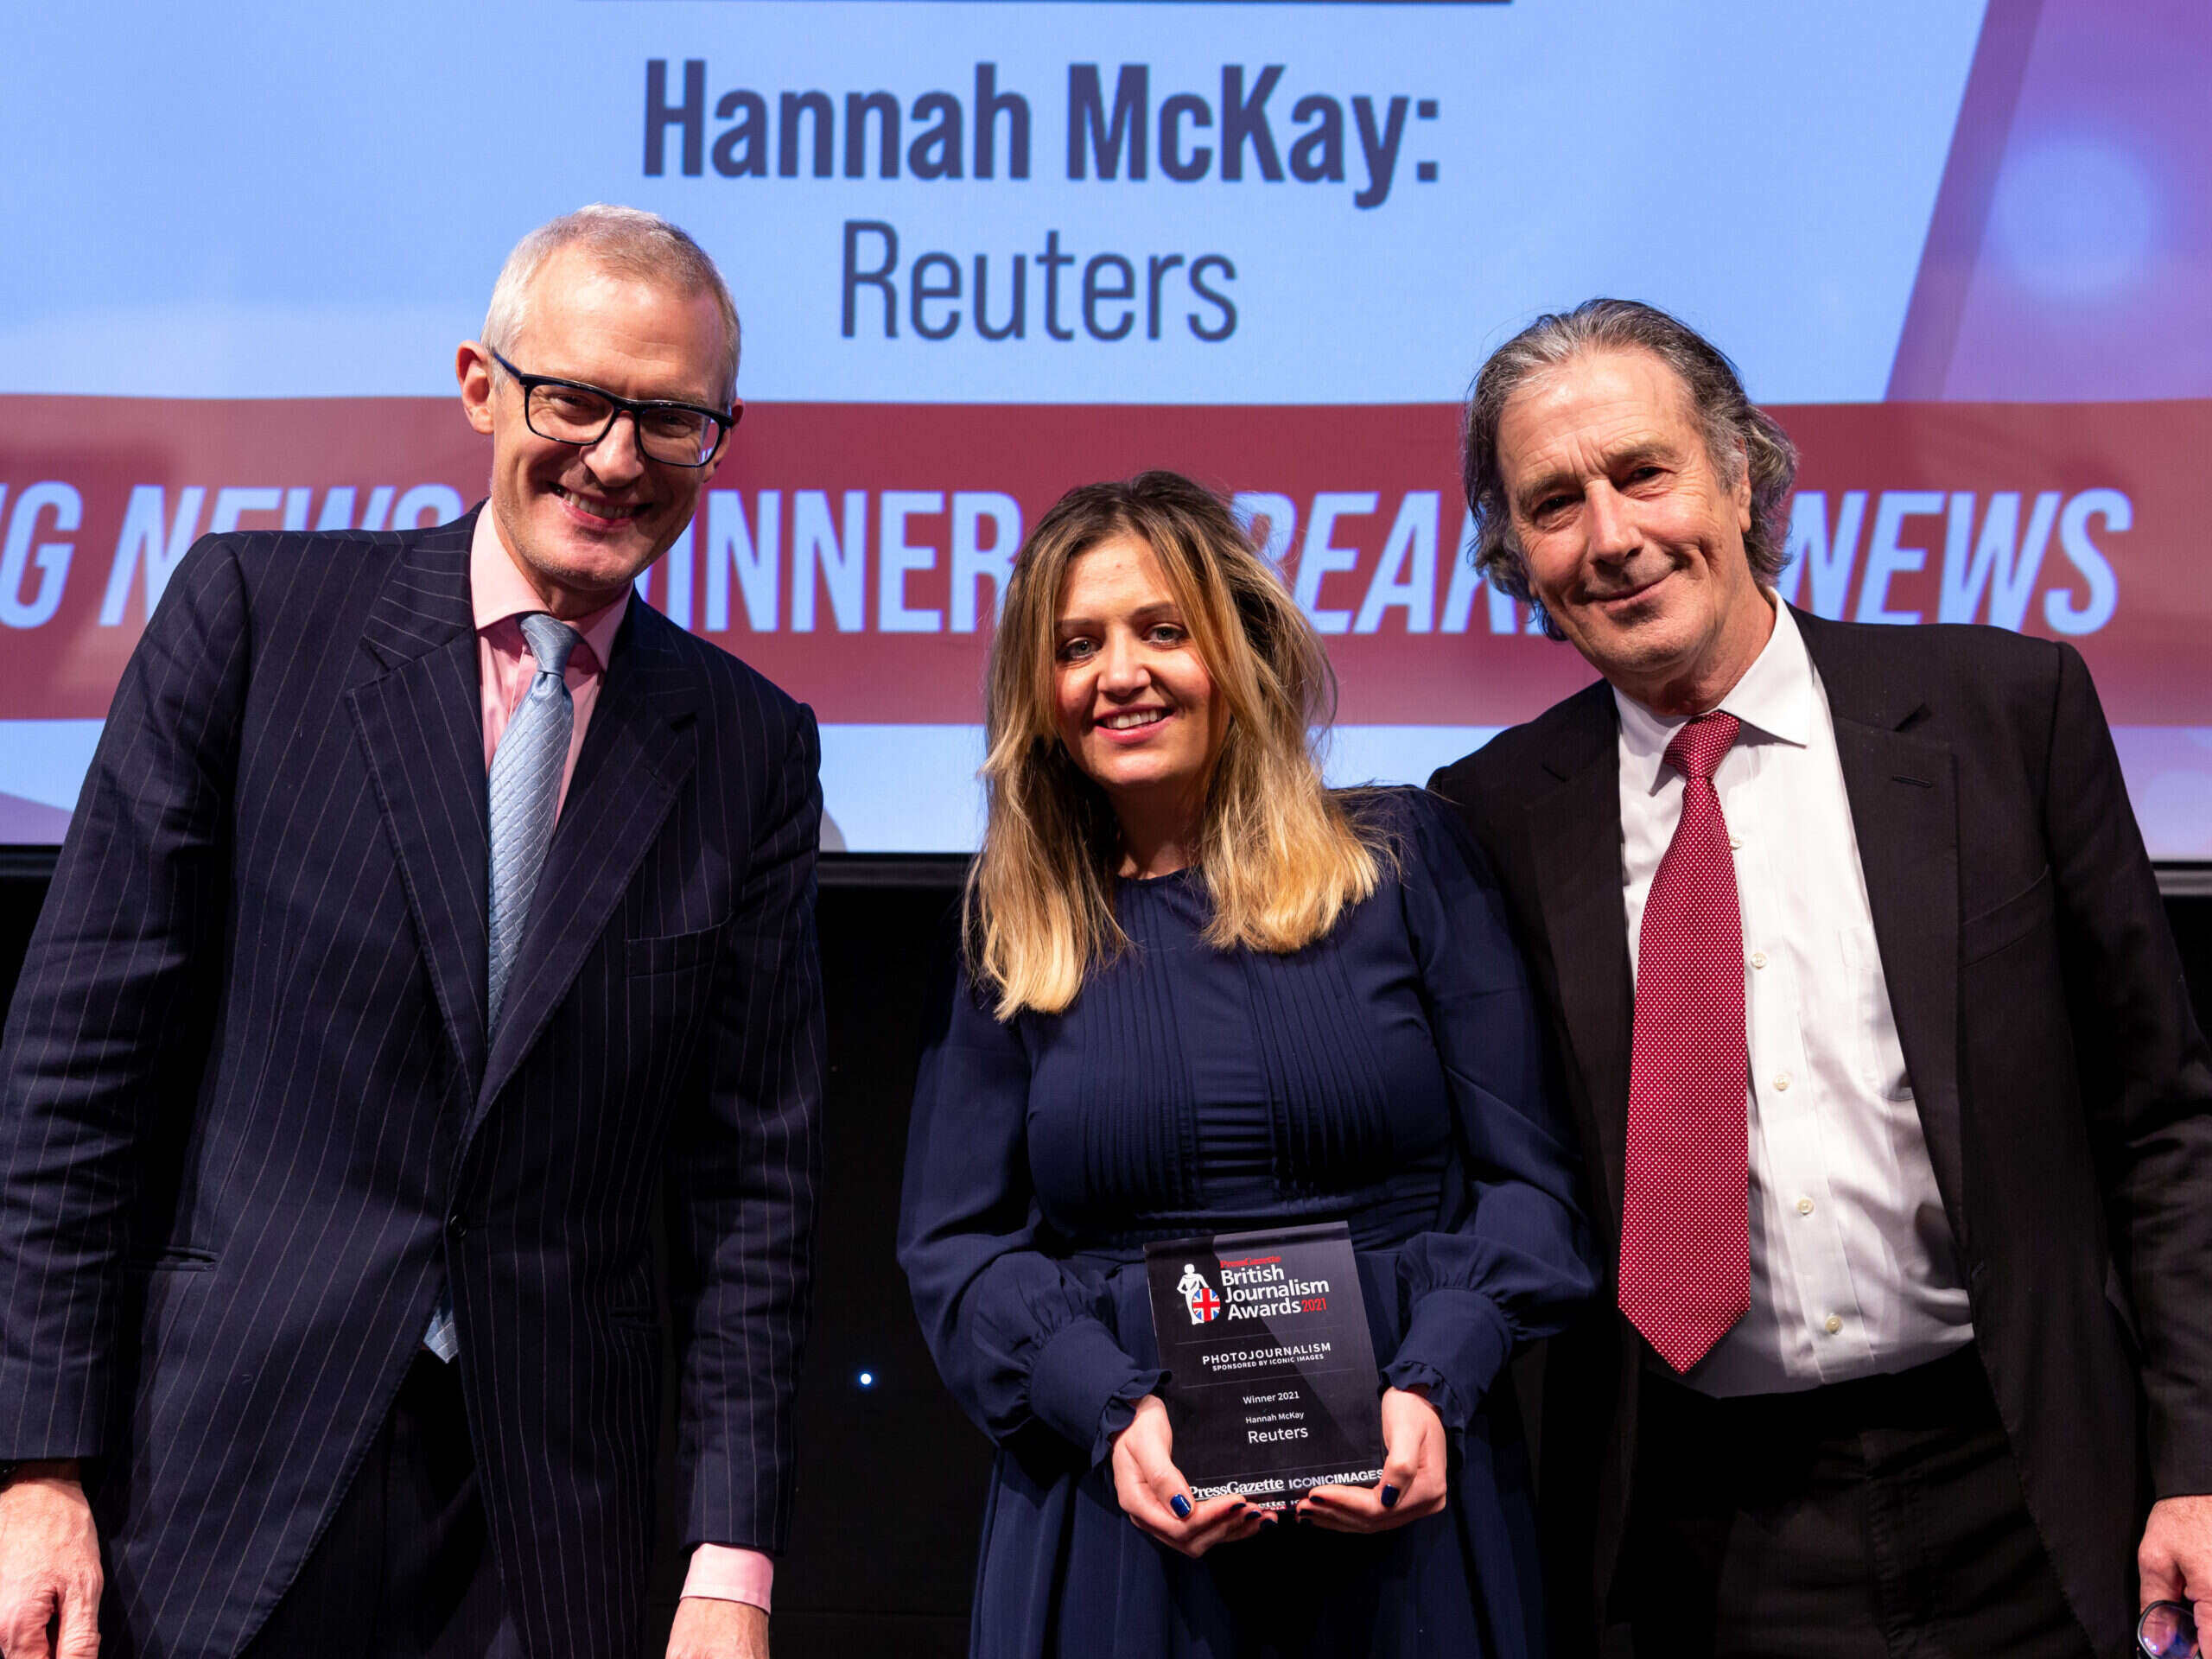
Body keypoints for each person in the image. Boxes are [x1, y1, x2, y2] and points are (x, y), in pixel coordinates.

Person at [0, 206, 823, 1659]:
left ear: (720, 437)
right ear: (479, 385)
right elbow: (80, 1067)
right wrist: (34, 1467)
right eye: (575, 399)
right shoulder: (253, 619)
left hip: (553, 1525)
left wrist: (729, 1564)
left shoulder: (751, 749)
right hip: (214, 1484)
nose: (617, 457)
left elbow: (750, 1190)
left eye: (672, 419)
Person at [1428, 298, 2212, 1656]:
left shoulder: (2002, 717)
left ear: (1741, 476)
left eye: (1643, 472)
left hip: (2025, 1485)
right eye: (1553, 504)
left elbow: (2162, 1128)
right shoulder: (1491, 819)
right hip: (1693, 1540)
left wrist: (2199, 1459)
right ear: (1516, 560)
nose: (1610, 537)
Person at [898, 471, 1595, 1658]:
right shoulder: (1013, 927)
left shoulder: (1403, 862)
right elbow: (956, 1251)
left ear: (1244, 647)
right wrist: (1108, 1409)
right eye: (1077, 646)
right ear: (1041, 692)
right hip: (1122, 1532)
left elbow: (1534, 1194)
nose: (1121, 673)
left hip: (1409, 1514)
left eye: (1164, 630)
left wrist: (1435, 1380)